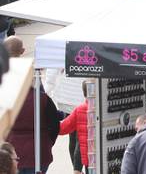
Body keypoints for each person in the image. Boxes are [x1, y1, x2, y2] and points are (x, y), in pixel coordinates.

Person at [5, 39, 60, 174]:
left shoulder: (6, 97)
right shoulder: (41, 99)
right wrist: (47, 141)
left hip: (12, 150)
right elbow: (54, 124)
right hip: (38, 151)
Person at [58, 81, 90, 174]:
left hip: (82, 157)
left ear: (84, 93)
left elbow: (63, 128)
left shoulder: (80, 109)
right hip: (100, 155)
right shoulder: (103, 109)